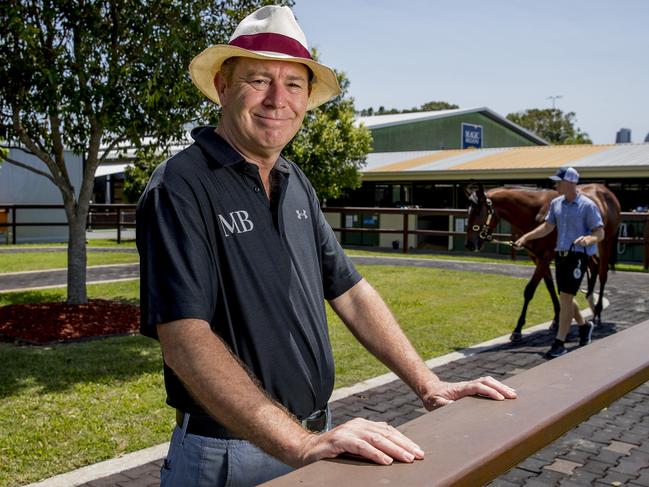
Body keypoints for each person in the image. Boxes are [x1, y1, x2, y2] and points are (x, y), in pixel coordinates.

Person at [136, 6, 516, 486]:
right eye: (258, 80)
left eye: (293, 85)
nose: (278, 99)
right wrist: (301, 443)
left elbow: (351, 292)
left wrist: (430, 384)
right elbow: (185, 344)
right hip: (231, 455)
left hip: (318, 437)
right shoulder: (181, 185)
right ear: (222, 87)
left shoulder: (296, 182)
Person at [515, 167, 604, 359]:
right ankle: (583, 326)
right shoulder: (556, 203)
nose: (555, 185)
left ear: (570, 182)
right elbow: (547, 227)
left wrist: (589, 239)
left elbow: (600, 232)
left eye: (558, 181)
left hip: (578, 256)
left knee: (564, 298)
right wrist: (526, 237)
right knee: (566, 296)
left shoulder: (587, 206)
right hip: (561, 256)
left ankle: (559, 342)